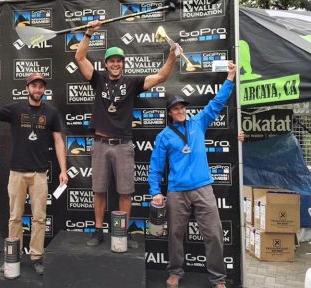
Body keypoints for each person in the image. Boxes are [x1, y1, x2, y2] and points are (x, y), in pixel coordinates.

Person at [75, 20, 180, 247]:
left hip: (123, 144)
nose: (115, 64)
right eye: (112, 61)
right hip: (101, 143)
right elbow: (80, 58)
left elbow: (161, 77)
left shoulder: (132, 82)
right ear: (105, 64)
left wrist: (172, 55)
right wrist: (88, 34)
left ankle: (120, 233)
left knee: (125, 192)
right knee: (99, 190)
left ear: (123, 64)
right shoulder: (98, 79)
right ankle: (98, 230)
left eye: (119, 61)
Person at [148, 62, 236, 288]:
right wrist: (156, 192)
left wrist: (230, 78)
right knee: (175, 235)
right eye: (175, 108)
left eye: (182, 107)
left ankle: (218, 278)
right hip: (177, 192)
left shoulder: (198, 122)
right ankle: (176, 272)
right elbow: (156, 167)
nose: (180, 111)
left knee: (214, 234)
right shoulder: (164, 136)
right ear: (169, 112)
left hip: (203, 188)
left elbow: (216, 104)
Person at [0, 72, 68, 275]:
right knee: (15, 218)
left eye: (41, 86)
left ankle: (36, 257)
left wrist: (63, 169)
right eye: (34, 86)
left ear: (44, 89)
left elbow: (59, 141)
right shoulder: (15, 109)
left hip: (39, 175)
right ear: (27, 88)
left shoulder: (51, 113)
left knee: (39, 219)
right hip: (17, 173)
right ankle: (12, 257)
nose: (37, 89)